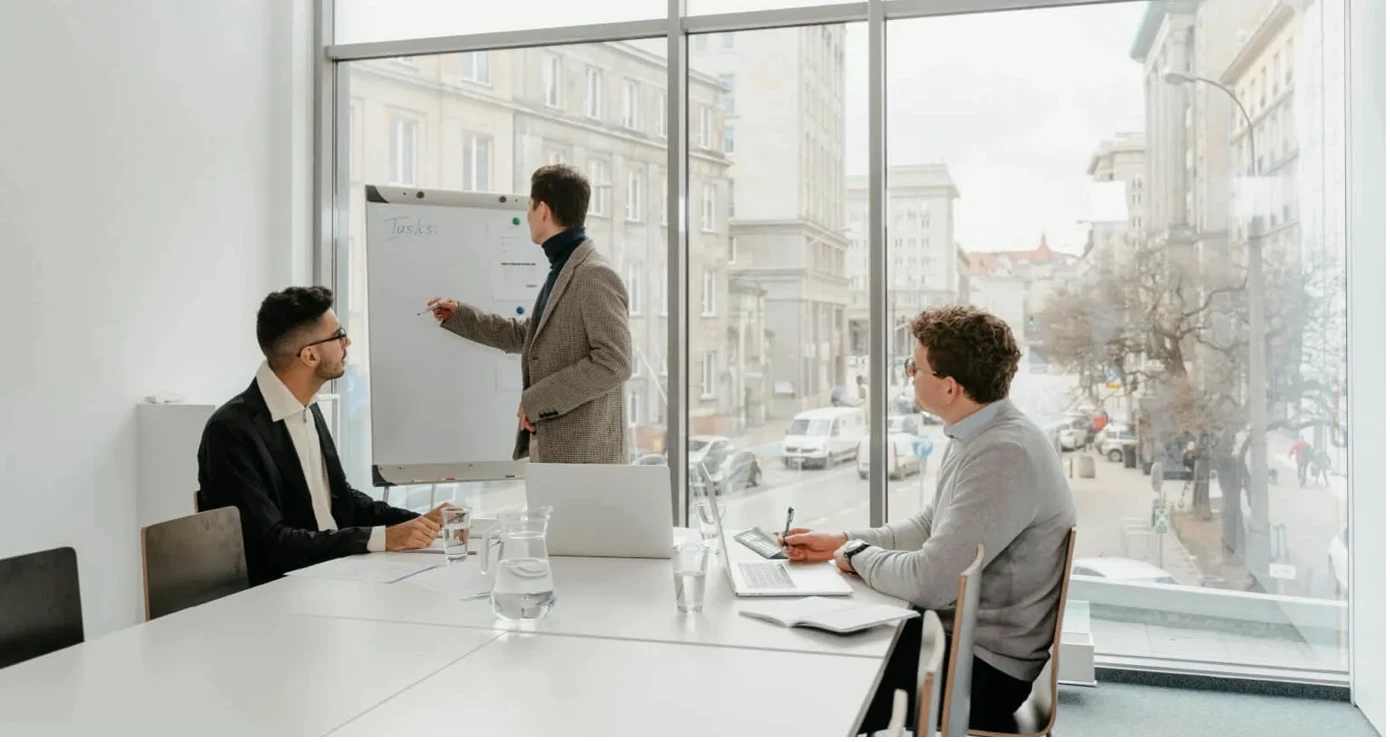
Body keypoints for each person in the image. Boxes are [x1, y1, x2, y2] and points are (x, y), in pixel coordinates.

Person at [781, 305, 1076, 732]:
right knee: (825, 642)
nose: (909, 375)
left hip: (983, 672)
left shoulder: (1004, 454)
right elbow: (928, 527)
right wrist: (841, 541)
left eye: (914, 368)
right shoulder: (980, 433)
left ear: (950, 387)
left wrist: (854, 554)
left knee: (824, 668)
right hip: (959, 641)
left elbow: (930, 583)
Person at [198, 286, 446, 586]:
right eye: (339, 335)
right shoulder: (230, 431)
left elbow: (341, 499)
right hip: (281, 592)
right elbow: (270, 544)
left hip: (335, 575)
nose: (347, 342)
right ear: (310, 355)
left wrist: (421, 522)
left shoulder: (307, 405)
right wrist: (382, 538)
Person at [429, 164, 632, 464]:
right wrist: (461, 316)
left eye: (529, 206)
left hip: (584, 462)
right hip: (561, 458)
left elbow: (615, 362)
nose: (527, 215)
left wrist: (537, 400)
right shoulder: (563, 269)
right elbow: (529, 337)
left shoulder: (593, 275)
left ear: (543, 210)